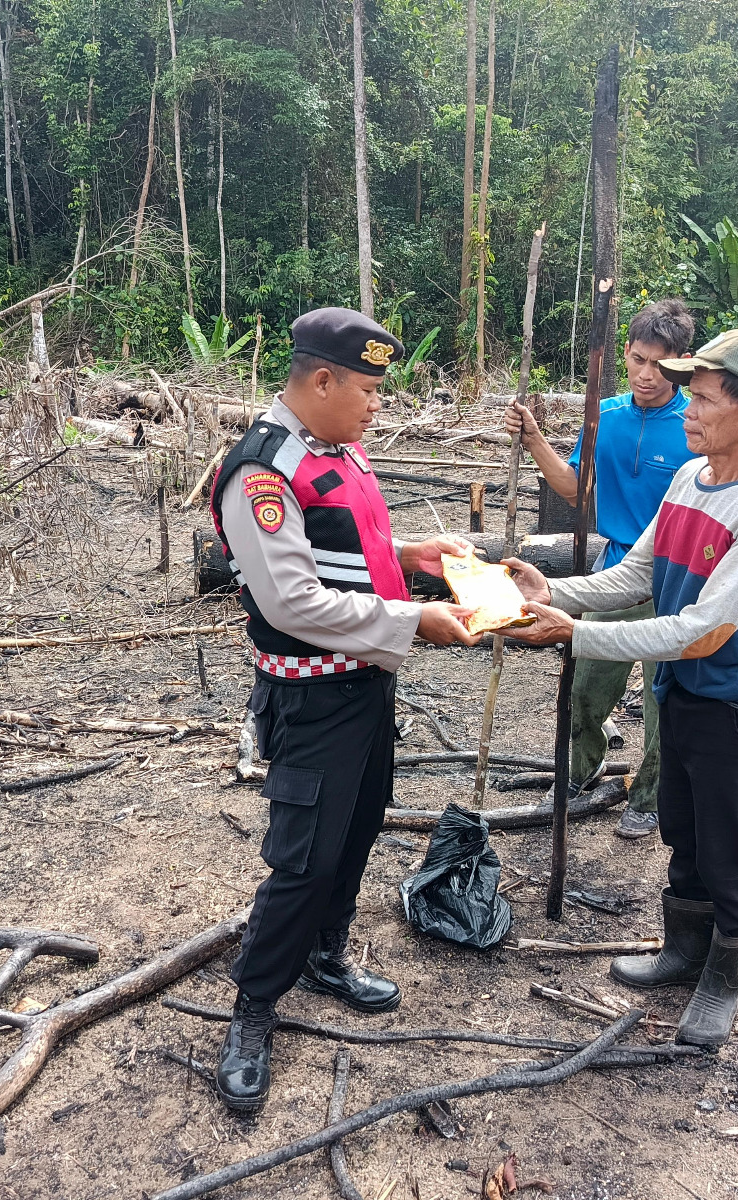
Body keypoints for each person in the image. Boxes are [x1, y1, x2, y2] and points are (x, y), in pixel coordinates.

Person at [501, 328, 738, 1047]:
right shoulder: (690, 479)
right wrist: (556, 592)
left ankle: (721, 979)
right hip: (681, 693)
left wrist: (575, 635)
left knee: (730, 848)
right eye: (690, 397)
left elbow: (702, 632)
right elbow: (637, 575)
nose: (687, 412)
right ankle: (682, 951)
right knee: (684, 828)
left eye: (703, 400)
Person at [208, 306, 480, 1111]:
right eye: (367, 390)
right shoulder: (262, 471)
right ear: (321, 381)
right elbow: (291, 598)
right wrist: (413, 620)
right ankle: (254, 1007)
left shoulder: (340, 450)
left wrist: (411, 556)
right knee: (304, 858)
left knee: (357, 828)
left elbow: (344, 548)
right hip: (312, 695)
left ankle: (325, 955)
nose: (376, 405)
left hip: (365, 685)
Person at [502, 298, 696, 839]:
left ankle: (649, 796)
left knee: (662, 698)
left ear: (683, 363)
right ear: (625, 354)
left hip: (673, 581)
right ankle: (578, 771)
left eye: (660, 364)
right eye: (638, 360)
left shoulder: (694, 425)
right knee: (586, 687)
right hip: (614, 573)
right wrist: (534, 438)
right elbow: (575, 489)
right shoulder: (604, 417)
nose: (646, 374)